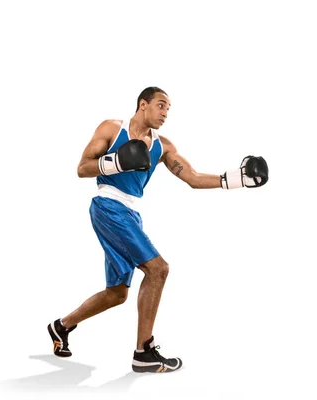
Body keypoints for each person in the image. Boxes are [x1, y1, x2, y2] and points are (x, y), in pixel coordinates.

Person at [48, 87, 268, 373]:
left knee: (116, 293)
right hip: (107, 205)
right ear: (143, 104)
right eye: (161, 105)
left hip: (130, 213)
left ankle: (60, 326)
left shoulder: (162, 146)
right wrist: (116, 162)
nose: (165, 113)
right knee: (158, 269)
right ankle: (144, 351)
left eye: (169, 109)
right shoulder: (113, 129)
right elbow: (82, 168)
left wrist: (238, 180)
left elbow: (193, 177)